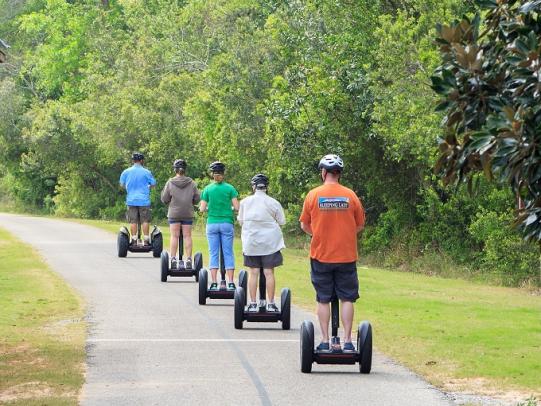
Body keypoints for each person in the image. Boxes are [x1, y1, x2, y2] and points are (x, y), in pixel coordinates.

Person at [299, 154, 365, 352]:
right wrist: (344, 235)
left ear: (323, 172)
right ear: (339, 174)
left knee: (323, 297)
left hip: (321, 255)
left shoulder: (313, 195)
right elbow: (360, 224)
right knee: (347, 298)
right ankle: (346, 341)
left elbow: (304, 224)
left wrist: (318, 234)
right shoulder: (350, 195)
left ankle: (326, 340)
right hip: (346, 255)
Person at [238, 173, 286, 312]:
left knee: (253, 272)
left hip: (252, 243)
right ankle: (270, 304)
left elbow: (241, 221)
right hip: (270, 244)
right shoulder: (273, 202)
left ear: (254, 186)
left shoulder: (245, 202)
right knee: (269, 272)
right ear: (266, 187)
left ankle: (253, 304)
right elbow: (282, 221)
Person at [199, 161, 239, 290]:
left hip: (212, 224)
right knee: (228, 252)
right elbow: (237, 207)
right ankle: (231, 282)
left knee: (213, 253)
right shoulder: (230, 188)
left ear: (212, 174)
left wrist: (209, 208)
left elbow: (201, 209)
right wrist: (231, 208)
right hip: (227, 223)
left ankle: (215, 282)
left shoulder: (208, 189)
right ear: (223, 173)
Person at [160, 159, 200, 269]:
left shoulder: (170, 182)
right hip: (187, 212)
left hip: (174, 213)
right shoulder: (192, 183)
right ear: (185, 170)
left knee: (174, 236)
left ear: (175, 170)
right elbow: (197, 199)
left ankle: (173, 258)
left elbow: (164, 199)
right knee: (187, 236)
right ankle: (188, 259)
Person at [119, 152, 156, 245]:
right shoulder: (147, 172)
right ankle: (146, 240)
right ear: (142, 160)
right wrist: (148, 187)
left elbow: (121, 184)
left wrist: (128, 188)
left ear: (133, 161)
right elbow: (153, 184)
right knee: (145, 220)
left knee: (133, 220)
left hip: (131, 200)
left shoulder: (126, 172)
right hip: (144, 200)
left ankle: (134, 240)